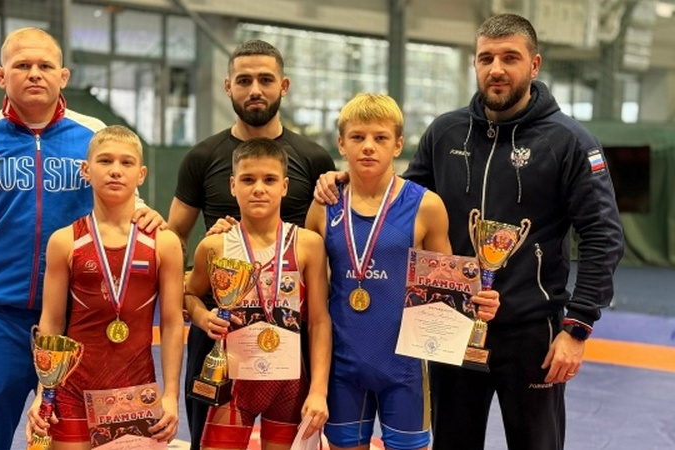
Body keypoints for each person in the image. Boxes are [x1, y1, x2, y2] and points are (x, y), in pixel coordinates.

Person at [314, 14, 624, 450]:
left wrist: (577, 327)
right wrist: (348, 179)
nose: (496, 69)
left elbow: (603, 235)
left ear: (534, 65)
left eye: (510, 58)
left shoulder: (568, 141)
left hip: (530, 330)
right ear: (475, 64)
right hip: (450, 326)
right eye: (486, 58)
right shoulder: (446, 132)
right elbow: (399, 202)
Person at [0, 28, 163, 450]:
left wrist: (144, 214)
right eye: (22, 65)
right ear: (0, 76)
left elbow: (123, 206)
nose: (34, 73)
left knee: (80, 444)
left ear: (63, 76)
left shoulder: (93, 134)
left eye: (45, 65)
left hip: (81, 323)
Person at [166, 39, 336, 449]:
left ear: (284, 85)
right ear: (228, 86)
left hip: (289, 336)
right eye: (244, 80)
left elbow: (325, 241)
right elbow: (174, 239)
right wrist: (196, 306)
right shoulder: (202, 157)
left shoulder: (314, 159)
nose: (255, 89)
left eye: (265, 79)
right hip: (221, 336)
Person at [305, 93, 499, 450]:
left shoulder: (426, 206)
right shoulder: (324, 207)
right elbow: (312, 294)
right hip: (342, 368)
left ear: (397, 145)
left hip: (405, 369)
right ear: (341, 144)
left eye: (380, 138)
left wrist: (476, 305)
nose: (368, 146)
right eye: (357, 137)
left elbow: (447, 290)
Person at [25, 125, 183, 448]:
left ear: (141, 174)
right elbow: (51, 323)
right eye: (105, 161)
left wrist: (170, 395)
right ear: (86, 170)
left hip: (136, 392)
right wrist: (44, 392)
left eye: (126, 163)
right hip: (72, 391)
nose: (115, 170)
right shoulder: (65, 241)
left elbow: (171, 323)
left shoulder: (164, 243)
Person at [184, 137, 331, 449]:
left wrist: (319, 390)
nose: (259, 189)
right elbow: (189, 294)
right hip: (231, 384)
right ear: (233, 185)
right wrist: (202, 316)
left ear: (285, 186)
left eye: (270, 180)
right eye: (248, 180)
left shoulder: (308, 245)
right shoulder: (215, 245)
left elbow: (319, 321)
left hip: (290, 386)